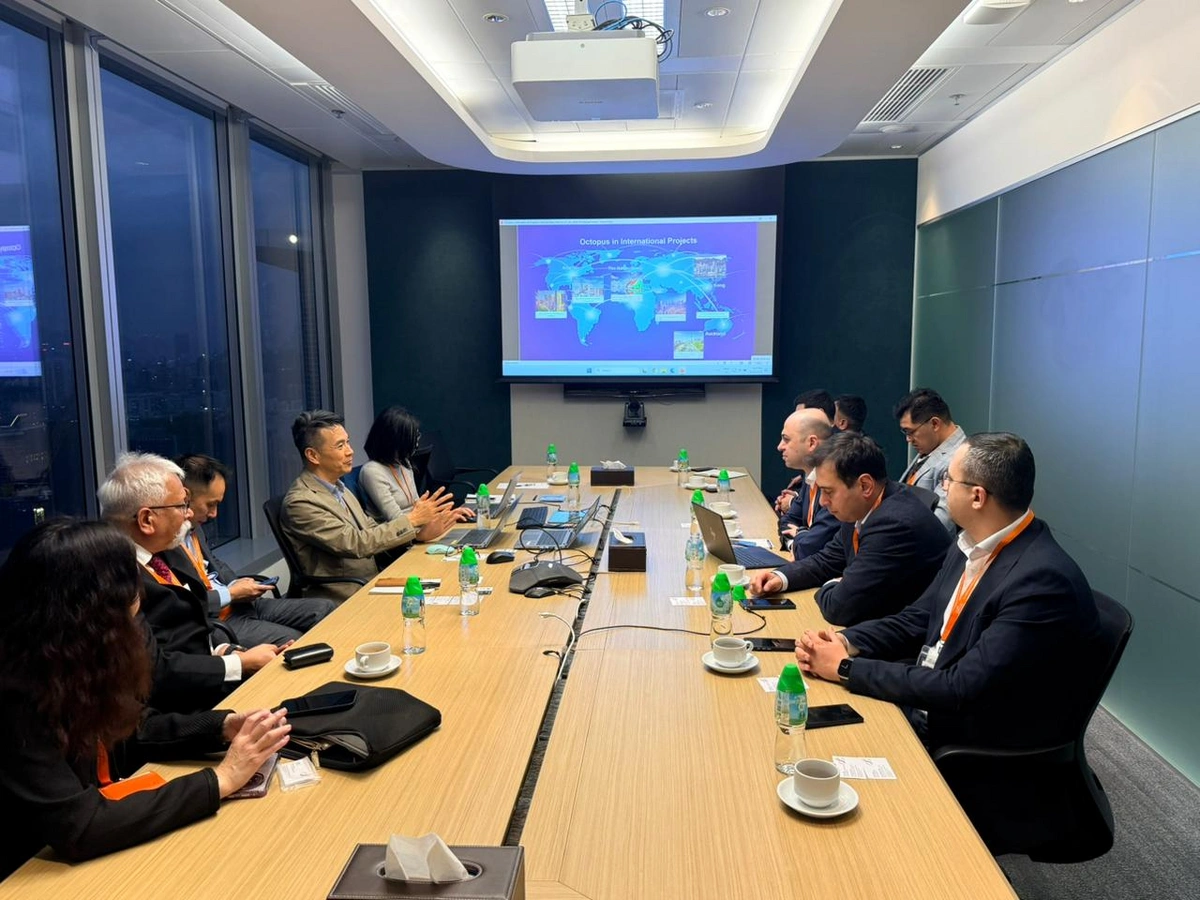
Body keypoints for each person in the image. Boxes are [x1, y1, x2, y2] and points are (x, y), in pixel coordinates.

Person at [0, 519, 291, 879]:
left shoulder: (68, 659)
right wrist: (221, 780)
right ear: (90, 613)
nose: (139, 605)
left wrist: (221, 727)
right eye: (130, 594)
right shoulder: (15, 696)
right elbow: (80, 826)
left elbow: (135, 727)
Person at [795, 432, 1101, 756]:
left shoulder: (1041, 581)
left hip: (969, 739)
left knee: (822, 753)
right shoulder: (969, 543)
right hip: (928, 694)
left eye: (949, 480)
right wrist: (845, 642)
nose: (942, 488)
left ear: (977, 497)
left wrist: (846, 668)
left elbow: (960, 687)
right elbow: (917, 618)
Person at [99, 452, 285, 712]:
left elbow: (192, 629)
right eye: (180, 506)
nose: (188, 514)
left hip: (208, 672)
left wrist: (229, 651)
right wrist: (239, 664)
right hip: (181, 707)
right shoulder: (114, 579)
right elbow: (156, 669)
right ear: (146, 520)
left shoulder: (168, 550)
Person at [751, 432, 951, 626]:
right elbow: (828, 560)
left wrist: (833, 583)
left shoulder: (894, 525)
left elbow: (839, 608)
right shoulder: (861, 506)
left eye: (828, 492)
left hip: (905, 638)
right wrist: (781, 577)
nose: (823, 501)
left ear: (865, 485)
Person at [280, 410, 457, 602]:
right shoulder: (301, 502)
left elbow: (370, 528)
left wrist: (416, 535)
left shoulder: (338, 487)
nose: (350, 451)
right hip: (344, 595)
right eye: (340, 445)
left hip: (373, 580)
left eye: (348, 442)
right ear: (313, 455)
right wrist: (412, 521)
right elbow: (356, 543)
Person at [175, 453, 336, 645]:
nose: (214, 514)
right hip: (218, 621)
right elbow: (180, 603)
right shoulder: (164, 543)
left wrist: (239, 584)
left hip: (239, 604)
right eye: (211, 504)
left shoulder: (195, 527)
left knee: (325, 608)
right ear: (185, 497)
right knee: (295, 639)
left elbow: (212, 562)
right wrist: (231, 593)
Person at [358, 406, 474, 526]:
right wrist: (432, 518)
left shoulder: (404, 463)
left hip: (415, 527)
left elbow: (417, 507)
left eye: (417, 436)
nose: (416, 443)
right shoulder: (372, 472)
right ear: (395, 440)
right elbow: (397, 521)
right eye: (412, 437)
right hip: (397, 533)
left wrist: (448, 514)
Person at [893, 388, 966, 532]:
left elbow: (939, 526)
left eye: (910, 432)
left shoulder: (959, 460)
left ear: (935, 424)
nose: (908, 439)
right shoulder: (932, 446)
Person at [772, 408, 839, 561]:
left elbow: (811, 547)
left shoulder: (834, 482)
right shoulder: (809, 474)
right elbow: (786, 521)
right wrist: (798, 541)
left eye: (786, 439)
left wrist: (800, 534)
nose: (780, 446)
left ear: (812, 443)